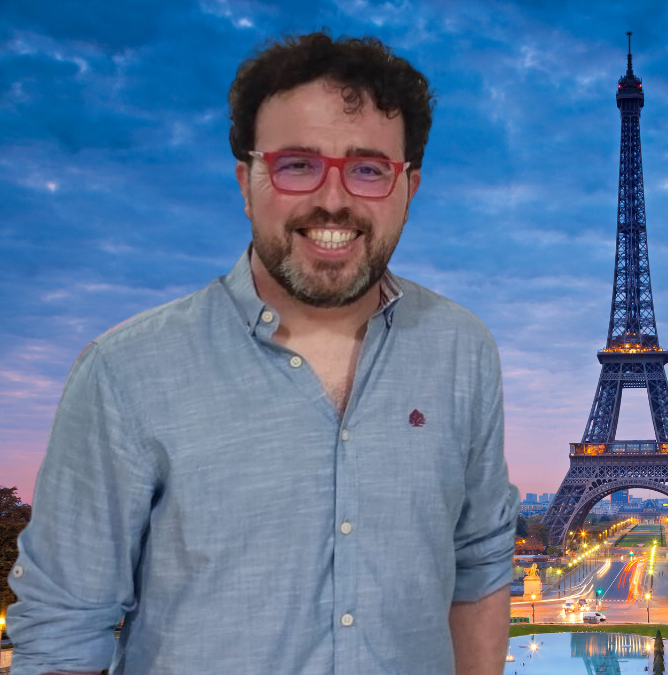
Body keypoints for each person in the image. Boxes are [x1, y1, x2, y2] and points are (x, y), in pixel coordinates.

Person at [7, 32, 518, 675]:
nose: (333, 199)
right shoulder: (124, 372)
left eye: (367, 168)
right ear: (246, 182)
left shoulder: (462, 350)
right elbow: (62, 631)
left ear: (407, 187)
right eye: (297, 164)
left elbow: (477, 566)